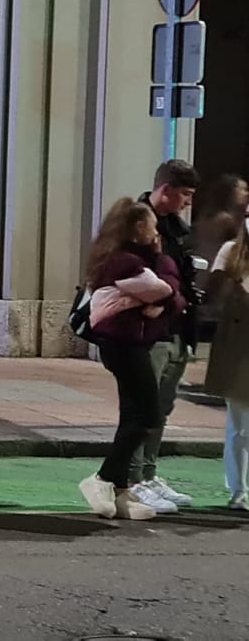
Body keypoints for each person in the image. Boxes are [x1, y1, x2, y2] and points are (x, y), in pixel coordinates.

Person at [75, 199, 185, 520]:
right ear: (139, 228)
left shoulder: (124, 259)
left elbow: (161, 298)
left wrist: (162, 302)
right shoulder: (124, 263)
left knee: (133, 413)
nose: (156, 233)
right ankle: (103, 478)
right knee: (149, 414)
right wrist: (165, 278)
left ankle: (120, 491)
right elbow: (165, 290)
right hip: (124, 345)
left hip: (125, 343)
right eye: (152, 226)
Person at [131, 159, 203, 514]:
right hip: (148, 332)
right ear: (166, 190)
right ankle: (134, 481)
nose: (188, 202)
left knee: (160, 409)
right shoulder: (137, 223)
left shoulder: (178, 229)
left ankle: (148, 473)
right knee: (141, 409)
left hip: (176, 328)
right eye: (185, 194)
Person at [205, 219, 249, 511]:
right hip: (238, 346)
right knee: (240, 424)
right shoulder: (230, 253)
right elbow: (215, 297)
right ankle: (239, 490)